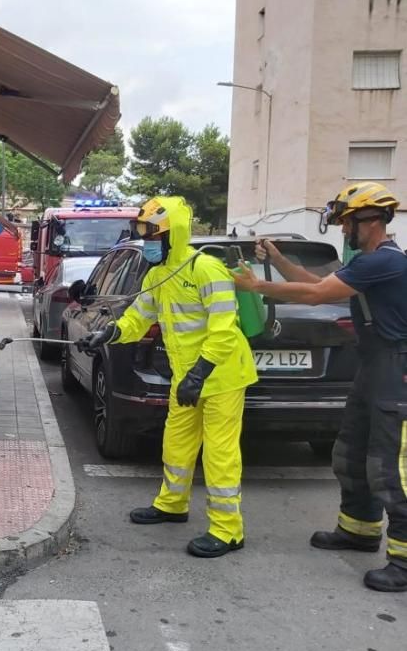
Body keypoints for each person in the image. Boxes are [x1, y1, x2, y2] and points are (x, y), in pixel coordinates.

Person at [233, 182, 407, 592]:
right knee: (351, 452)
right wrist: (277, 258)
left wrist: (259, 287)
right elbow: (314, 279)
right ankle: (359, 529)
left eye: (347, 221)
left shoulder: (386, 261)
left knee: (391, 467)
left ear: (370, 221)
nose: (343, 228)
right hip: (372, 368)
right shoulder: (367, 263)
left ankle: (403, 561)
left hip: (395, 371)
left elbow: (314, 295)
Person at [79, 196, 258, 558]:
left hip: (222, 376)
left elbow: (224, 329)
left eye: (153, 236)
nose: (147, 243)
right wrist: (109, 333)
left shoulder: (206, 270)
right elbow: (138, 317)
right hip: (187, 376)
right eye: (144, 235)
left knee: (220, 454)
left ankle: (228, 530)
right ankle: (172, 505)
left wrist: (200, 373)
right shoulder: (159, 275)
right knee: (176, 444)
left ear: (173, 234)